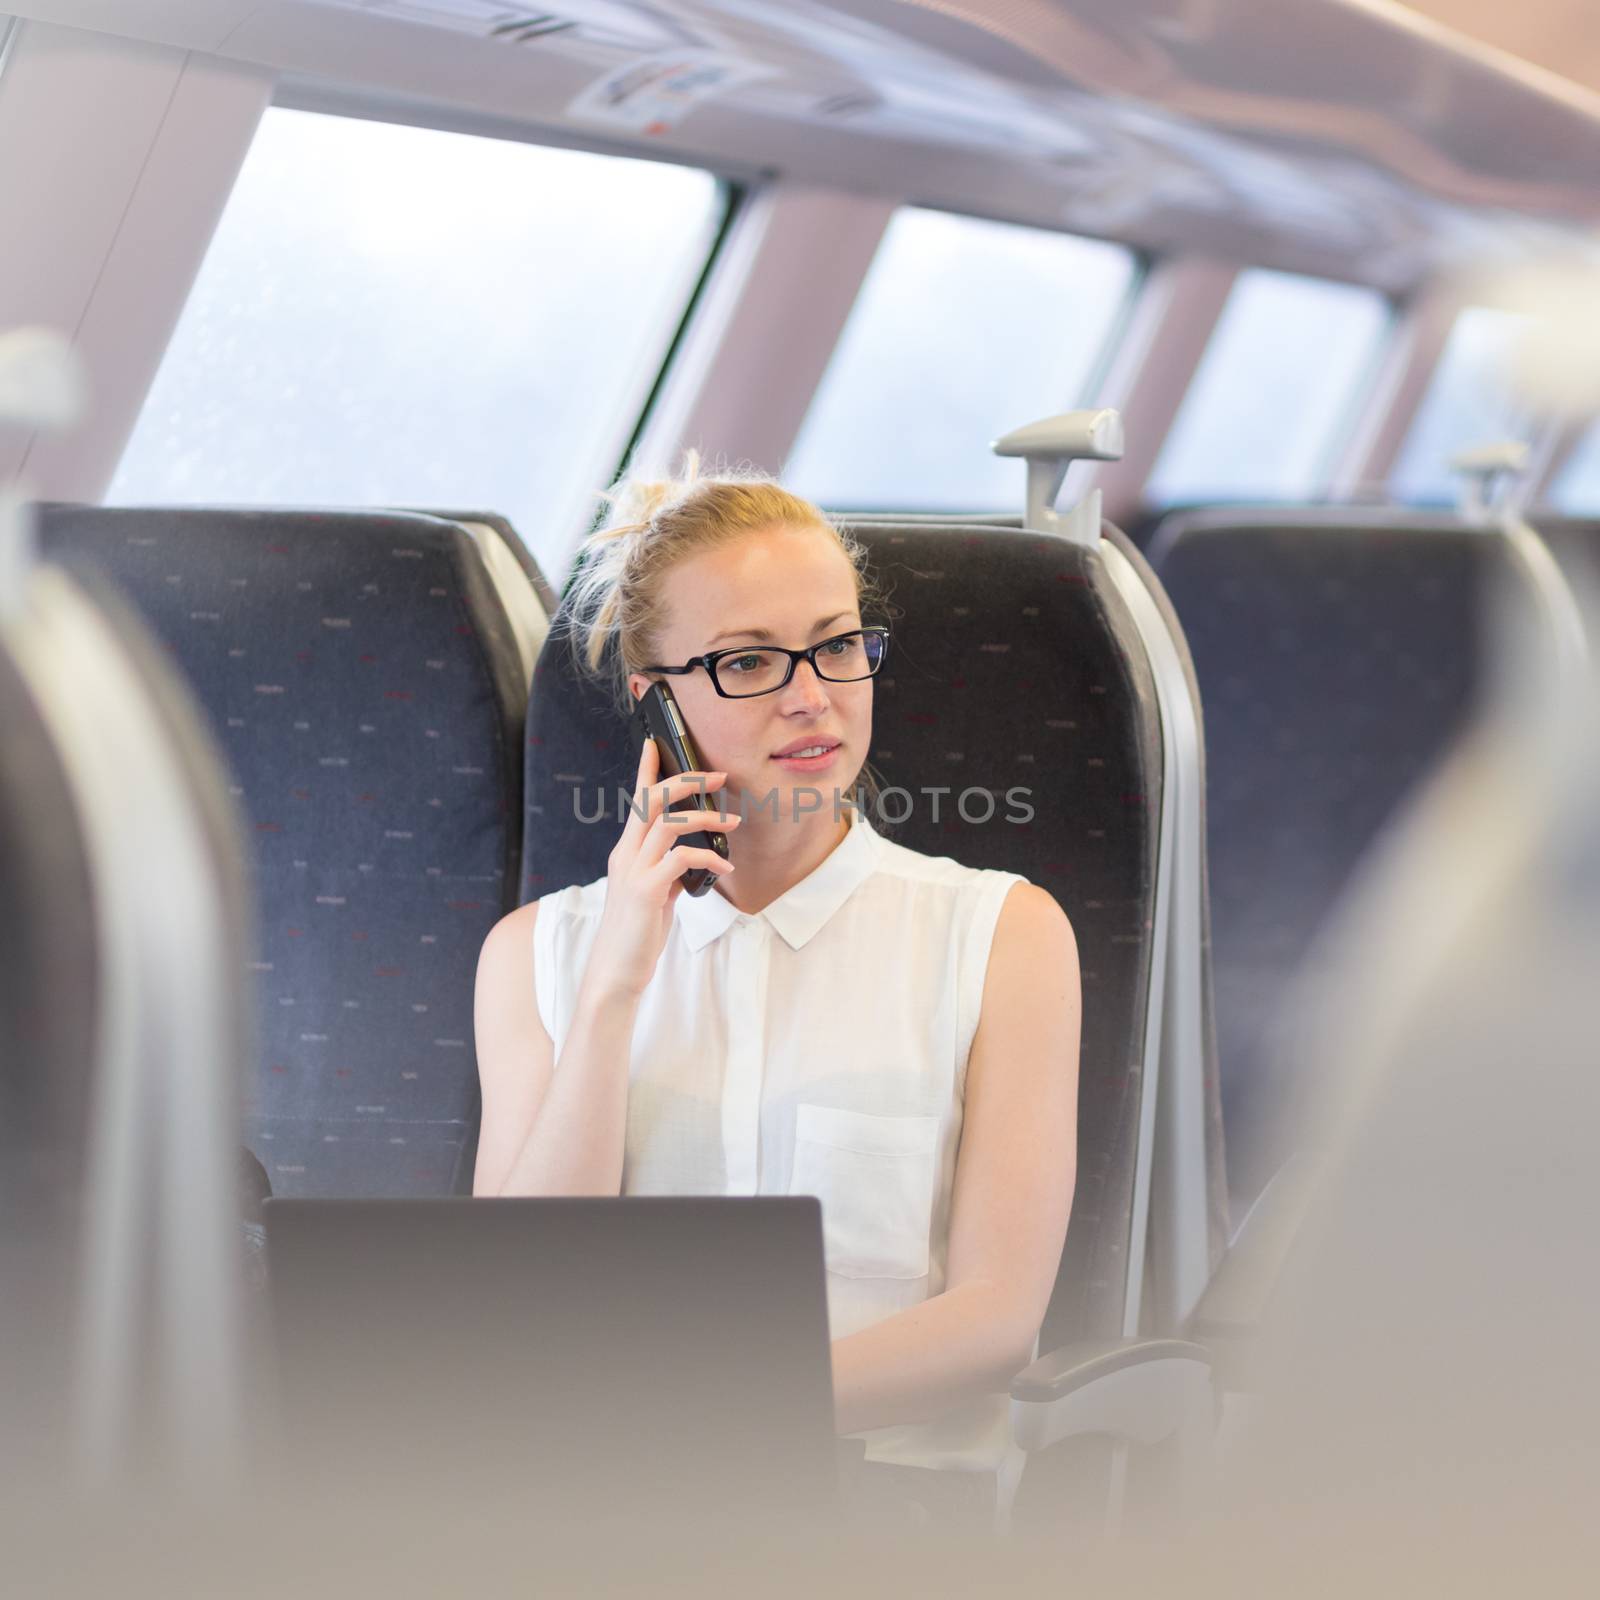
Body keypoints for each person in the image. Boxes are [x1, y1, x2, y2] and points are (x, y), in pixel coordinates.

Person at [471, 457, 1080, 1534]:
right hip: (598, 1521)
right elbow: (512, 1306)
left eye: (838, 645)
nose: (813, 696)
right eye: (750, 660)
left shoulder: (1000, 936)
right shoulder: (538, 956)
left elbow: (995, 1321)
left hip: (883, 1516)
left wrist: (731, 1415)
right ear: (655, 699)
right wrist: (615, 983)